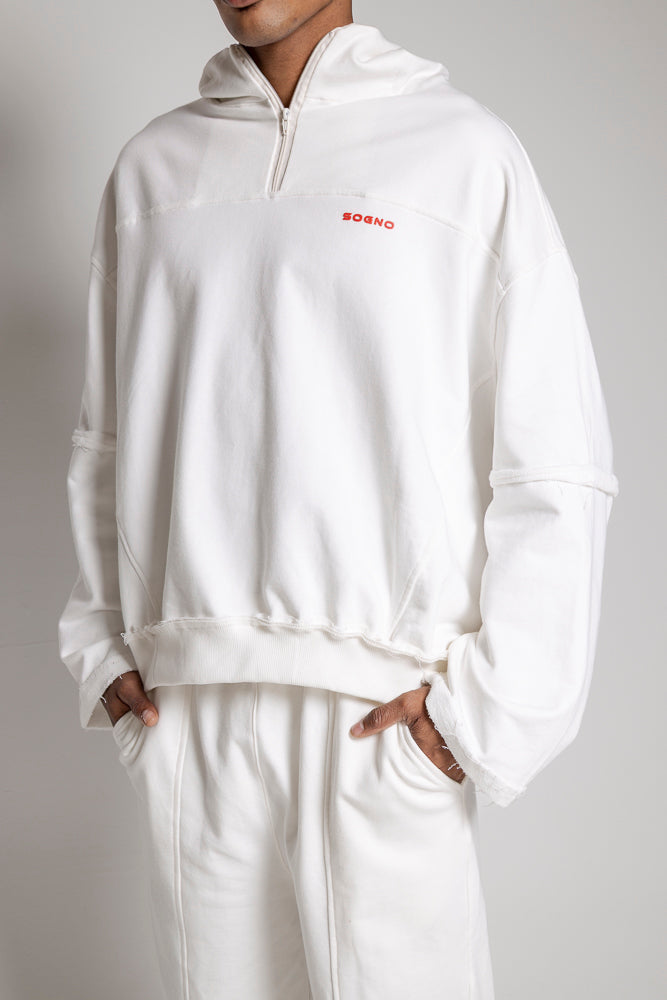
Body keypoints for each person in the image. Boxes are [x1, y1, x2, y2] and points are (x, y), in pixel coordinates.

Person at [57, 1, 619, 997]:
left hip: (381, 722)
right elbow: (108, 438)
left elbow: (552, 456)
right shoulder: (151, 171)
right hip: (189, 715)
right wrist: (103, 647)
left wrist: (484, 718)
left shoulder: (463, 155)